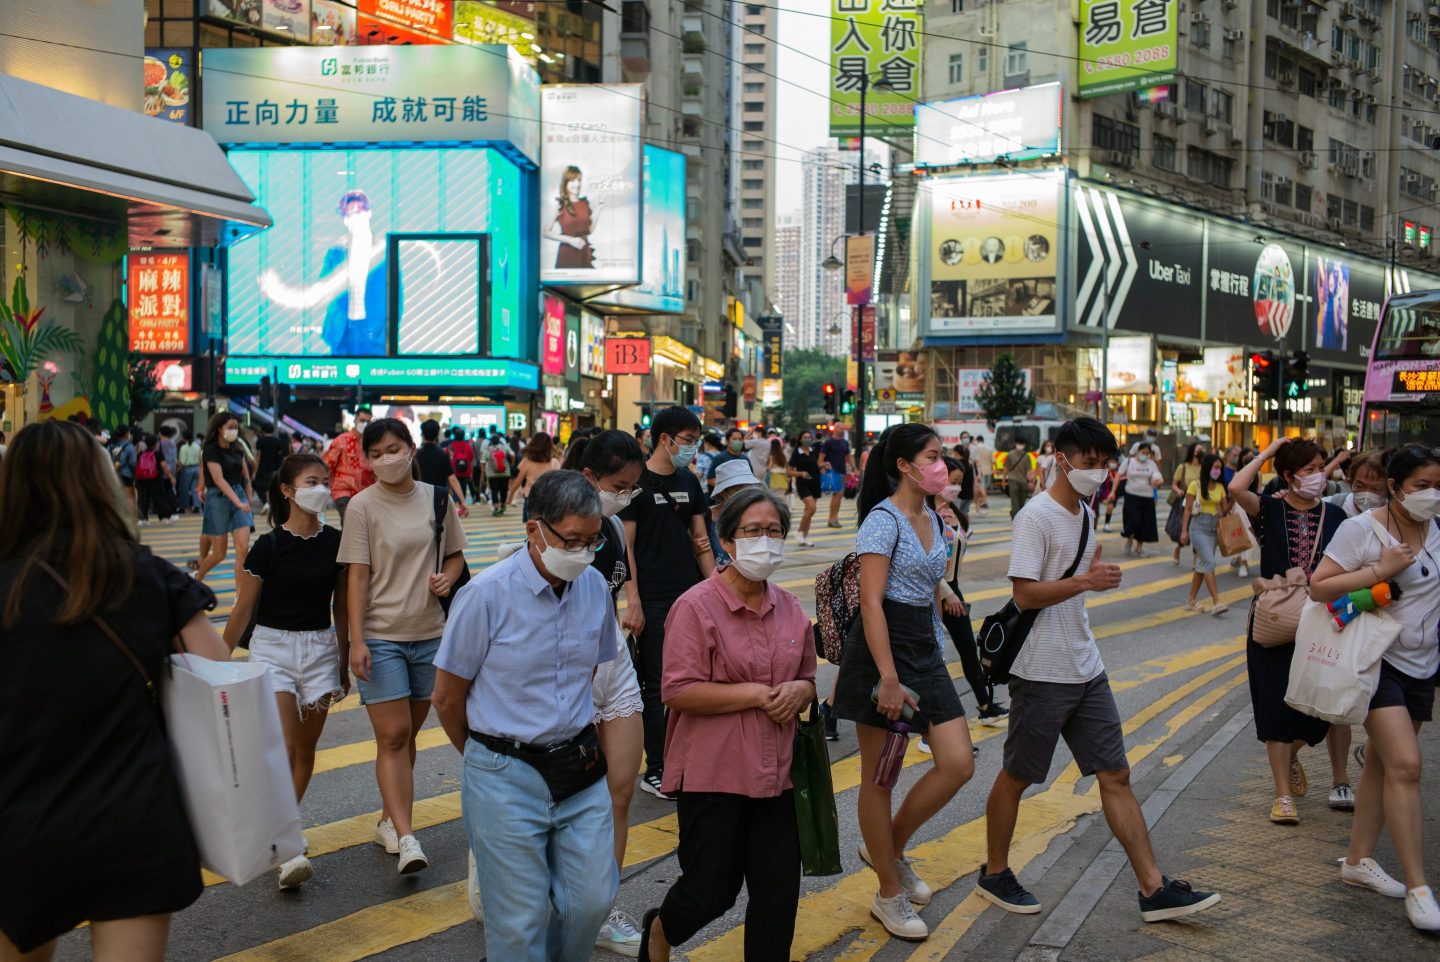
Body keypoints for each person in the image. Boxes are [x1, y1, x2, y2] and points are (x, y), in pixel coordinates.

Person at [0, 420, 231, 962]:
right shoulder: (145, 574)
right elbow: (219, 670)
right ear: (100, 483)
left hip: (18, 820)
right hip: (134, 813)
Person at [976, 417, 1220, 924]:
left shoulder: (1086, 512)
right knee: (1020, 775)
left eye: (1105, 463)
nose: (1098, 472)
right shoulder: (1035, 517)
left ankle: (1153, 889)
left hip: (1085, 666)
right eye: (1090, 463)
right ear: (1062, 459)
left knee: (1116, 773)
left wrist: (1085, 582)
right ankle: (994, 871)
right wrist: (1086, 581)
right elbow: (1024, 593)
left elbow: (1071, 589)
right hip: (1041, 669)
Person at [432, 471, 618, 960]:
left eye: (592, 541)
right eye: (571, 541)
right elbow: (447, 698)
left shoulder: (596, 588)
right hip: (503, 773)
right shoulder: (485, 596)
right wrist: (486, 759)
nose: (582, 552)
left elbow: (592, 670)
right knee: (520, 920)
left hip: (577, 766)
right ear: (535, 530)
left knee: (591, 900)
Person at [638, 487, 817, 962]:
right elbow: (677, 689)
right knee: (711, 891)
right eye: (753, 531)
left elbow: (807, 677)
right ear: (727, 539)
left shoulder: (790, 607)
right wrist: (757, 695)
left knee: (778, 894)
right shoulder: (696, 607)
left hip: (777, 774)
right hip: (714, 772)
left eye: (774, 531)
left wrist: (803, 690)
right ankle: (661, 927)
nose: (765, 540)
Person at [830, 424, 977, 941]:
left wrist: (940, 588)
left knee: (958, 763)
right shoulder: (882, 519)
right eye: (934, 457)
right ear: (904, 465)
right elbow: (871, 602)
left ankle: (886, 849)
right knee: (880, 777)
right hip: (881, 655)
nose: (944, 466)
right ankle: (888, 892)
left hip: (924, 648)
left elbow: (929, 572)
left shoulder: (934, 517)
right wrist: (888, 679)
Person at [1309, 444, 1440, 932]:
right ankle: (1420, 888)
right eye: (1422, 487)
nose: (1432, 495)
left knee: (1384, 766)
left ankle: (1357, 860)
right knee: (1407, 765)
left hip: (1424, 665)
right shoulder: (1361, 529)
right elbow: (1320, 588)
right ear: (1395, 486)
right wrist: (1381, 572)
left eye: (1438, 486)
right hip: (1375, 660)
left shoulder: (1439, 529)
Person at [339, 417, 467, 876]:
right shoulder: (361, 506)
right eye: (375, 454)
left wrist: (446, 578)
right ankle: (407, 835)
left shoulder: (436, 497)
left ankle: (386, 819)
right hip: (381, 634)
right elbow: (355, 575)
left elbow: (455, 554)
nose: (385, 460)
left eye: (393, 449)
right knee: (391, 736)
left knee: (406, 737)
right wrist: (356, 640)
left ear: (411, 449)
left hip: (431, 634)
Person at [223, 453, 349, 891]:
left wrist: (346, 657)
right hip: (272, 648)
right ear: (288, 490)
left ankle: (281, 830)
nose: (322, 488)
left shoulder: (336, 541)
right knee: (283, 745)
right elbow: (242, 611)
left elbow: (344, 606)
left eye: (326, 480)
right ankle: (286, 844)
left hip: (319, 648)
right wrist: (216, 664)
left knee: (304, 750)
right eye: (313, 481)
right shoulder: (267, 546)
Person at [554, 430, 649, 952]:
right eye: (620, 485)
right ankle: (546, 896)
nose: (626, 496)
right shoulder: (555, 523)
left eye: (633, 488)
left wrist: (633, 597)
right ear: (589, 477)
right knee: (562, 795)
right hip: (562, 667)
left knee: (620, 789)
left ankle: (603, 905)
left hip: (611, 660)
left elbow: (623, 568)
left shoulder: (611, 524)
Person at [1229, 437, 1343, 826]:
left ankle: (1292, 754)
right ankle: (1282, 795)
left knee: (1318, 715)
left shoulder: (1336, 517)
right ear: (1289, 476)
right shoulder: (1270, 510)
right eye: (1308, 470)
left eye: (1320, 467)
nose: (1317, 476)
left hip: (1324, 623)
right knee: (1276, 708)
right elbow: (1235, 488)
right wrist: (1266, 451)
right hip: (1275, 623)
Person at [619, 406, 715, 800]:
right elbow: (626, 547)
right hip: (654, 600)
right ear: (665, 439)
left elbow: (701, 540)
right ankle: (656, 768)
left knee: (692, 680)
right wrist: (634, 601)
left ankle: (684, 759)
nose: (692, 448)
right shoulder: (635, 484)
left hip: (690, 596)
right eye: (688, 441)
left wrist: (715, 589)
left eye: (695, 441)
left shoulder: (689, 482)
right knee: (657, 685)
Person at [936, 457, 1006, 726]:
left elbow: (954, 555)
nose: (955, 488)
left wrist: (954, 526)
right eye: (951, 482)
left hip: (952, 589)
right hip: (937, 592)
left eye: (958, 483)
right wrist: (946, 593)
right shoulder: (924, 514)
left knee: (967, 648)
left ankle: (985, 705)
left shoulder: (951, 511)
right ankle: (832, 707)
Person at [194, 413, 255, 583]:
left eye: (236, 427)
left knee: (243, 550)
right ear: (219, 429)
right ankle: (197, 579)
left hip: (239, 495)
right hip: (218, 498)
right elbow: (219, 480)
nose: (233, 431)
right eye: (230, 427)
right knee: (220, 554)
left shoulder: (237, 448)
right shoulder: (210, 450)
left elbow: (246, 476)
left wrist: (248, 499)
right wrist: (238, 502)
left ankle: (239, 597)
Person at [1178, 452, 1230, 614]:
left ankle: (1191, 600)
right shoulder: (1196, 485)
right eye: (1215, 467)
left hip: (1213, 529)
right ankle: (1217, 601)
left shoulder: (1220, 487)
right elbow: (1187, 509)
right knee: (1209, 562)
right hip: (1198, 528)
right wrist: (1184, 531)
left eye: (1220, 468)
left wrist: (1233, 497)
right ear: (1208, 467)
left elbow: (1224, 510)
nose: (1218, 471)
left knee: (1202, 565)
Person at [322, 407, 375, 522]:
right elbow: (327, 464)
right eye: (362, 420)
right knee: (350, 522)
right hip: (343, 491)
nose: (365, 424)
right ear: (355, 420)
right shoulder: (342, 440)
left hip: (366, 492)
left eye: (368, 421)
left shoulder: (372, 443)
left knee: (362, 526)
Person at [545, 165, 601, 269]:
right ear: (565, 183)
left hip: (584, 251)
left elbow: (589, 230)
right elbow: (545, 232)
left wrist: (598, 209)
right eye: (572, 180)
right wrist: (570, 240)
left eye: (579, 180)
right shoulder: (560, 204)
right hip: (568, 253)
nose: (577, 184)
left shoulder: (584, 203)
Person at [1113, 442, 1163, 557]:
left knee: (1145, 522)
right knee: (1133, 520)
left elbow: (1158, 480)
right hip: (1131, 495)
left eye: (1147, 453)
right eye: (1143, 452)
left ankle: (1139, 547)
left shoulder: (1152, 464)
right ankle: (1129, 539)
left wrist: (1158, 484)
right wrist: (1113, 491)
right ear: (1138, 451)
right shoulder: (1129, 462)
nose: (1145, 455)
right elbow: (1118, 475)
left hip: (1148, 496)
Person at [415, 420, 470, 518]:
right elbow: (452, 479)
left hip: (421, 497)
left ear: (422, 434)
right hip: (439, 498)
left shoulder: (417, 455)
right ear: (437, 435)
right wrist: (463, 502)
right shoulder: (443, 455)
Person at [509, 432, 562, 520]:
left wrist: (510, 496)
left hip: (531, 498)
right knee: (547, 525)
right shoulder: (554, 462)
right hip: (549, 499)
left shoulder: (526, 461)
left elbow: (518, 480)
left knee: (532, 527)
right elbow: (560, 483)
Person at [1169, 442, 1206, 567]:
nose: (1200, 451)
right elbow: (1174, 484)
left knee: (1197, 531)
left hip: (1200, 502)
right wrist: (1178, 490)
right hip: (1185, 502)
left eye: (1202, 450)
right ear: (1192, 451)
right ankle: (1178, 548)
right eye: (1198, 449)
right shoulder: (1183, 467)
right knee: (1183, 530)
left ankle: (1196, 561)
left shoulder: (1204, 467)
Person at [135, 432, 176, 526]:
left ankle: (142, 519)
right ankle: (164, 517)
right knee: (159, 497)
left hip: (142, 479)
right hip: (155, 479)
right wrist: (171, 477)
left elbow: (137, 466)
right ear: (156, 443)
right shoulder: (157, 453)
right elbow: (164, 466)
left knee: (143, 499)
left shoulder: (141, 453)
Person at [818, 425, 855, 528]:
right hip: (832, 473)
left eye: (843, 428)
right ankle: (833, 518)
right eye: (840, 428)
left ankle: (833, 518)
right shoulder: (828, 442)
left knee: (838, 496)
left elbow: (848, 456)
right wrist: (822, 467)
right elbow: (821, 458)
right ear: (834, 429)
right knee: (837, 495)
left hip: (842, 472)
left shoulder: (845, 443)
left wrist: (854, 468)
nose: (842, 430)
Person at [789, 431, 821, 546]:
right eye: (805, 437)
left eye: (809, 437)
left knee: (809, 511)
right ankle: (799, 532)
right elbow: (788, 471)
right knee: (811, 507)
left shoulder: (814, 451)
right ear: (800, 439)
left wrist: (824, 466)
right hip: (803, 484)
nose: (807, 439)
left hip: (815, 484)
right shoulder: (796, 453)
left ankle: (805, 536)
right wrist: (800, 473)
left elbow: (817, 465)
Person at [480, 429, 513, 514]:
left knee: (494, 490)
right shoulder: (505, 447)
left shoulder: (488, 449)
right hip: (505, 473)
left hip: (492, 474)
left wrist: (483, 472)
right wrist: (511, 464)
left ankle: (496, 508)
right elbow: (512, 454)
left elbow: (482, 461)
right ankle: (503, 505)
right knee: (504, 490)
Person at [254, 422, 286, 509]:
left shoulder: (260, 441)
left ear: (262, 431)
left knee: (258, 485)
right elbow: (280, 455)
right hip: (276, 468)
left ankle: (265, 502)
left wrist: (255, 469)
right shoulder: (278, 441)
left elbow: (258, 456)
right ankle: (276, 503)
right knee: (274, 486)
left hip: (262, 468)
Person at [109, 424, 138, 517]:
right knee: (129, 497)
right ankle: (131, 517)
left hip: (113, 475)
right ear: (126, 434)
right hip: (126, 475)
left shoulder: (110, 445)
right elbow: (133, 463)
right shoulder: (129, 446)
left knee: (116, 497)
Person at [445, 428, 480, 505]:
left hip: (453, 472)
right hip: (465, 472)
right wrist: (471, 473)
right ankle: (461, 505)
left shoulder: (450, 446)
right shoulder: (467, 446)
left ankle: (457, 506)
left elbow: (447, 459)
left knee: (454, 489)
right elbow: (471, 461)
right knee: (463, 489)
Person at [1004, 438, 1033, 519]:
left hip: (1023, 481)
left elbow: (1029, 471)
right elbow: (1006, 468)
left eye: (1022, 443)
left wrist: (1030, 482)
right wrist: (1003, 480)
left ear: (1024, 445)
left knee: (1021, 502)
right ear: (1015, 444)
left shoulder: (1027, 456)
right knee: (1014, 501)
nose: (1020, 445)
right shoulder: (1010, 454)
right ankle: (1016, 519)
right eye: (1019, 443)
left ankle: (1013, 513)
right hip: (1012, 480)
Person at [177, 431, 202, 514]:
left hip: (187, 469)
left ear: (184, 438)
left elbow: (182, 461)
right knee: (195, 488)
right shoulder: (197, 446)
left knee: (184, 489)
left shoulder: (183, 447)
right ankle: (196, 506)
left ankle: (184, 507)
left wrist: (177, 470)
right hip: (197, 468)